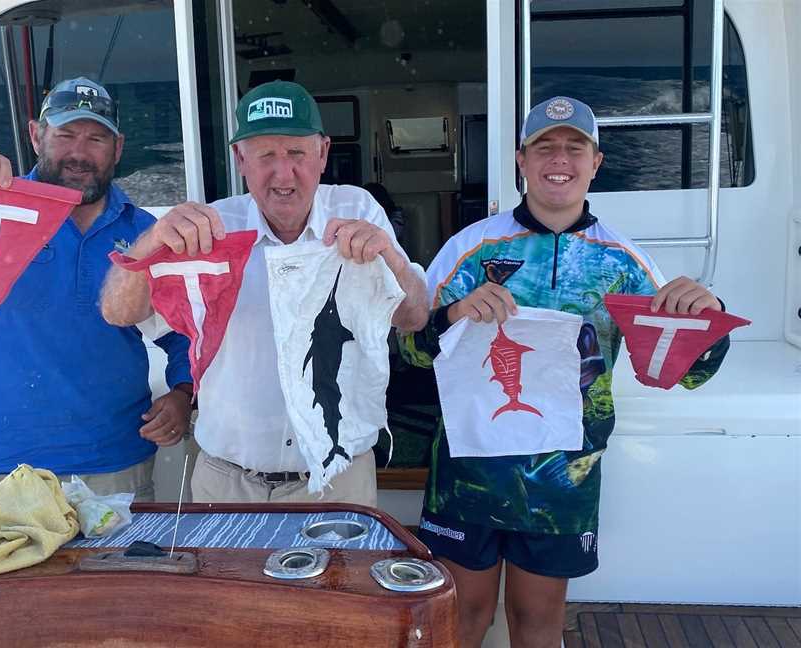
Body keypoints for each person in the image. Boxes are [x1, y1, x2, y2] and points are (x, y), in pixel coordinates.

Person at [398, 96, 732, 648]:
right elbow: (410, 347)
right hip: (467, 475)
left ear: (595, 162)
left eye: (575, 148)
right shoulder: (470, 248)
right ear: (520, 161)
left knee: (538, 624)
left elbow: (676, 372)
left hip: (562, 482)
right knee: (460, 620)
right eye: (544, 147)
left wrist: (706, 315)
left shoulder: (624, 262)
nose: (560, 159)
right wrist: (454, 313)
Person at [100, 80, 428, 507]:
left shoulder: (359, 211)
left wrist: (394, 261)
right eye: (266, 155)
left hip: (337, 478)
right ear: (240, 159)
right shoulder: (212, 230)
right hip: (227, 480)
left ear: (324, 153)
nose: (284, 173)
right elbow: (118, 313)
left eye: (297, 153)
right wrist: (149, 243)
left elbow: (413, 318)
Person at [0, 77, 193, 521]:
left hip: (112, 463)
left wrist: (184, 394)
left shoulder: (145, 234)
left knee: (113, 594)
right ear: (37, 135)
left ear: (118, 147)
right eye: (66, 134)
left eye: (96, 138)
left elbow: (185, 332)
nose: (80, 152)